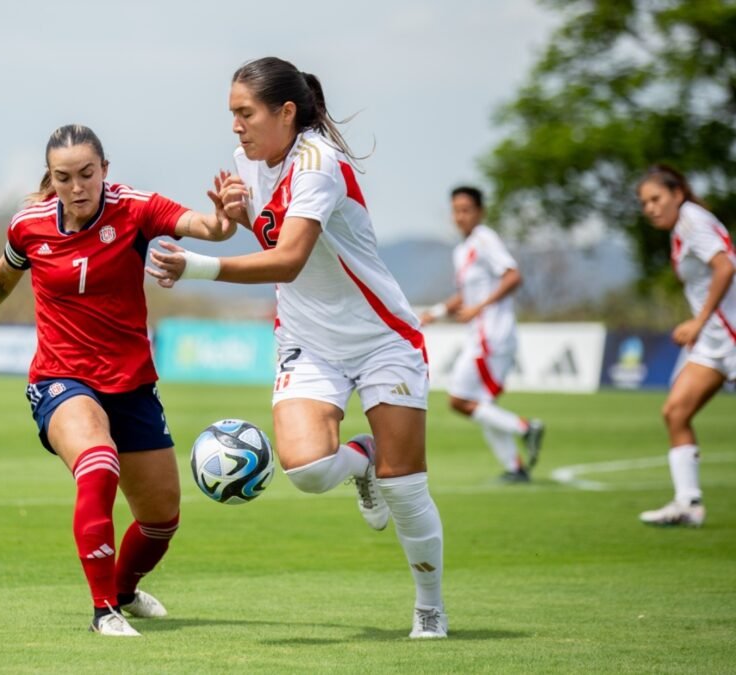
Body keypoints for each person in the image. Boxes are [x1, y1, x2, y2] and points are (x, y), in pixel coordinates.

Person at [147, 57, 447, 639]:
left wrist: (198, 268)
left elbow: (288, 257)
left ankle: (429, 607)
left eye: (245, 113)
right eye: (231, 114)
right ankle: (362, 459)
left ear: (286, 112)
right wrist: (235, 216)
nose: (235, 126)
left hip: (381, 337)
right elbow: (265, 232)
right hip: (309, 340)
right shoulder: (250, 160)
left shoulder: (319, 164)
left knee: (407, 486)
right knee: (308, 470)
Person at [0, 124, 235, 637]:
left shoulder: (136, 209)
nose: (76, 187)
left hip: (132, 383)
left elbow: (207, 227)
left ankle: (123, 590)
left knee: (161, 520)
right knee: (99, 463)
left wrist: (226, 219)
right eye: (63, 177)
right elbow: (5, 273)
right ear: (50, 179)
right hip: (61, 378)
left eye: (86, 174)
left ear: (105, 170)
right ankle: (105, 612)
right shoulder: (28, 224)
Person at [419, 187, 544, 482]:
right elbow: (465, 295)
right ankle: (515, 468)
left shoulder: (484, 239)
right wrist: (435, 313)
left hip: (493, 335)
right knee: (480, 405)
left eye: (466, 209)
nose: (460, 216)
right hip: (480, 334)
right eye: (456, 210)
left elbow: (513, 275)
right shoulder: (461, 251)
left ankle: (525, 427)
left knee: (459, 400)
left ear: (479, 212)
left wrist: (480, 307)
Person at [636, 164, 735, 528]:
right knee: (676, 411)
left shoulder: (693, 220)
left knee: (676, 411)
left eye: (656, 198)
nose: (650, 208)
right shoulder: (683, 227)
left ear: (678, 194)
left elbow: (726, 267)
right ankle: (688, 504)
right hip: (713, 344)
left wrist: (698, 320)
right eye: (645, 202)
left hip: (731, 336)